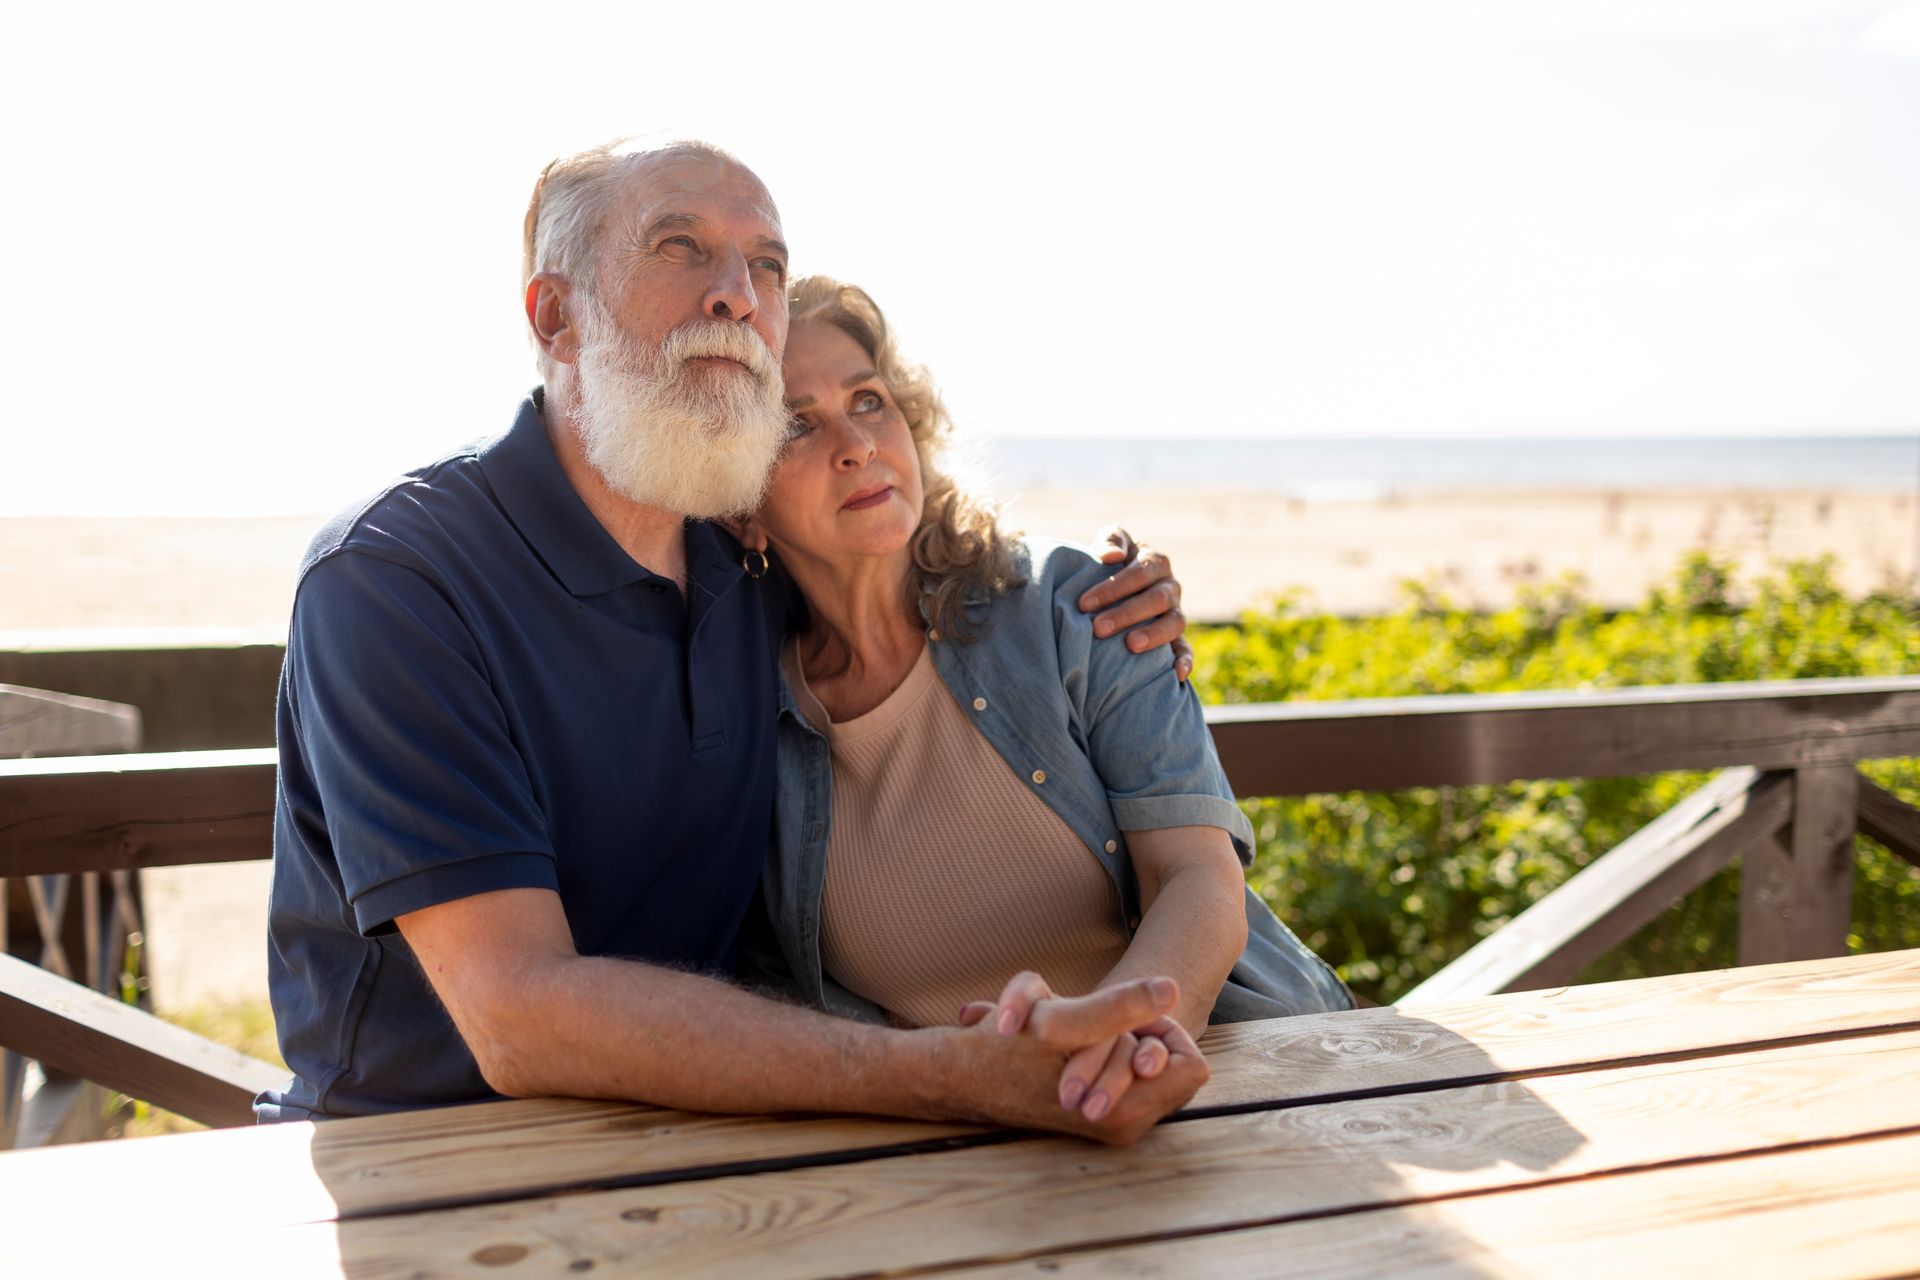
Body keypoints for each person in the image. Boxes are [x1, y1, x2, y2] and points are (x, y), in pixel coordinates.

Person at [261, 137, 1208, 1144]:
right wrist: (950, 1073)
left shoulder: (751, 567)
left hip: (729, 1131)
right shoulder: (398, 580)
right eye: (680, 246)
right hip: (434, 1153)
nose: (738, 296)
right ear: (556, 315)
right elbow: (516, 1015)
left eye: (767, 263)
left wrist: (1122, 598)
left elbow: (907, 572)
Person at [739, 277, 1351, 1121]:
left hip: (1231, 1084)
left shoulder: (1074, 607)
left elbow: (1195, 876)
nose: (855, 444)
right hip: (947, 1148)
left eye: (869, 400)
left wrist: (1112, 1050)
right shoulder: (743, 723)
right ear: (741, 508)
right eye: (797, 424)